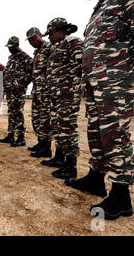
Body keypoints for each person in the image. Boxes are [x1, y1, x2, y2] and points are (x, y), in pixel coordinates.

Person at [66, 0, 134, 220]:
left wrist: (131, 71)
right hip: (96, 85)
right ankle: (96, 178)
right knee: (97, 133)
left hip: (114, 83)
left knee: (115, 135)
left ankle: (121, 198)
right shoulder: (99, 9)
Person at [43, 18, 83, 180]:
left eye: (50, 33)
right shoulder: (58, 47)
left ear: (60, 31)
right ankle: (59, 158)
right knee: (58, 127)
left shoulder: (73, 42)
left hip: (67, 96)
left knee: (67, 128)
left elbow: (83, 64)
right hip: (57, 96)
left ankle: (70, 165)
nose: (48, 37)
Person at [25, 27, 54, 161]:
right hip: (37, 90)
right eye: (30, 40)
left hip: (46, 91)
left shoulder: (49, 47)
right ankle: (41, 143)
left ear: (40, 35)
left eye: (34, 38)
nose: (32, 41)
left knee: (45, 119)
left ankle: (46, 148)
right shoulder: (37, 52)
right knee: (36, 118)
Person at [0, 36, 33, 147]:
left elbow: (32, 72)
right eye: (8, 47)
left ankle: (21, 137)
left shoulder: (25, 57)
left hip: (18, 91)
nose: (9, 49)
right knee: (11, 113)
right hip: (10, 91)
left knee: (18, 113)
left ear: (17, 45)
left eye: (11, 47)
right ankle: (10, 135)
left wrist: (23, 85)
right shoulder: (11, 57)